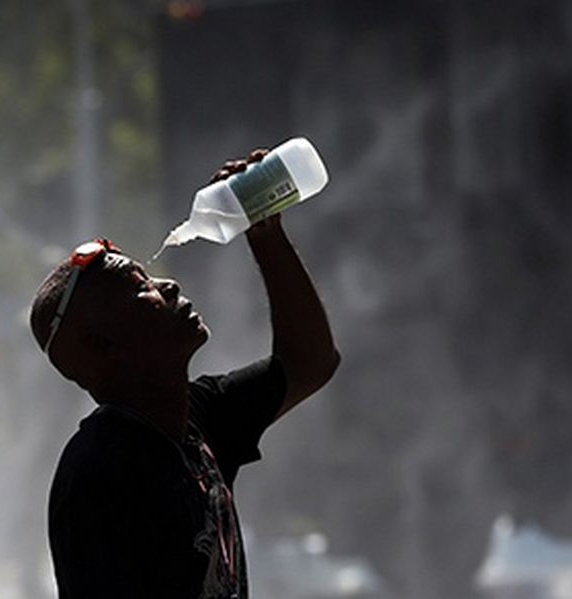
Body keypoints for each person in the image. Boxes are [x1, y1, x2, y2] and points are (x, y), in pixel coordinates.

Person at [28, 148, 340, 599]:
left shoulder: (198, 418)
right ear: (103, 345)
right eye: (140, 287)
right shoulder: (98, 468)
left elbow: (311, 361)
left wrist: (266, 236)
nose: (168, 285)